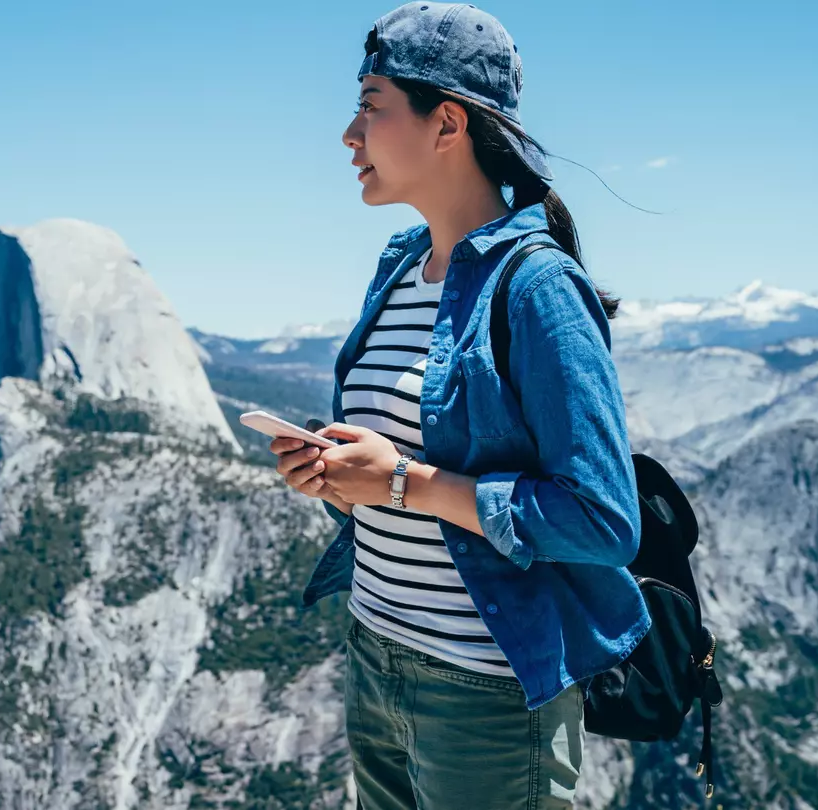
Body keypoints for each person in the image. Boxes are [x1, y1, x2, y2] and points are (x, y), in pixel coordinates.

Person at [269, 4, 647, 808]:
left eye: (371, 105)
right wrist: (336, 474)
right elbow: (403, 459)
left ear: (446, 125)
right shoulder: (400, 266)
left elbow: (604, 520)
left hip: (485, 693)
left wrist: (401, 480)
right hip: (375, 649)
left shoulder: (538, 287)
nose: (348, 133)